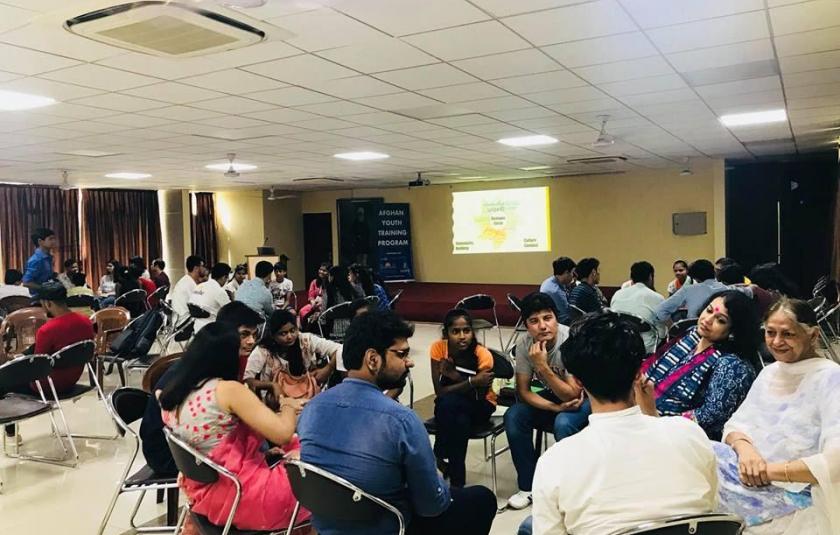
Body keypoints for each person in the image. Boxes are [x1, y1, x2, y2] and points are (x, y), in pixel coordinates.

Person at [298, 310, 497, 535]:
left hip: (328, 527)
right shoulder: (401, 420)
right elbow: (432, 505)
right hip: (389, 526)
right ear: (373, 359)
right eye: (401, 355)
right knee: (481, 499)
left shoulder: (312, 409)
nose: (409, 362)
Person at [523, 312, 718, 535]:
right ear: (638, 373)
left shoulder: (555, 462)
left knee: (529, 526)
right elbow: (709, 511)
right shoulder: (690, 434)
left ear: (577, 380)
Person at [159, 322, 308, 532]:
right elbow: (283, 433)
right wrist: (289, 406)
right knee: (316, 464)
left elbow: (217, 440)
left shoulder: (174, 393)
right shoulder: (226, 390)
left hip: (208, 493)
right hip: (243, 496)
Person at [714, 298, 840, 534]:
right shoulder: (770, 373)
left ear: (813, 336)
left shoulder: (831, 378)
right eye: (770, 333)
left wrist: (768, 471)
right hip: (751, 473)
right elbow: (735, 425)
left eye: (788, 334)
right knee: (698, 452)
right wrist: (746, 450)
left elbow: (835, 461)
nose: (776, 342)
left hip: (797, 490)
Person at [140, 301, 262, 477]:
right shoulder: (207, 370)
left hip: (175, 445)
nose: (251, 341)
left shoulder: (208, 359)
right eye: (244, 334)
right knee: (261, 449)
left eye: (254, 335)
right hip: (170, 454)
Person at [504, 292, 591, 510]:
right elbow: (524, 392)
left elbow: (573, 395)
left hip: (589, 396)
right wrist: (554, 406)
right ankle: (528, 485)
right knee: (514, 415)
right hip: (557, 396)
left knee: (564, 422)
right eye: (534, 321)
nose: (543, 326)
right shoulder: (525, 345)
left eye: (548, 318)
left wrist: (542, 367)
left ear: (556, 318)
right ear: (526, 325)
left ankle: (572, 488)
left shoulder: (570, 339)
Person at [638, 290, 761, 440]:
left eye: (720, 320)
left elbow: (710, 418)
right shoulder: (691, 336)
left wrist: (654, 417)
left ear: (734, 331)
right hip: (648, 418)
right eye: (708, 310)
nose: (707, 320)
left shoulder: (732, 365)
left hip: (686, 439)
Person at [429, 309, 496, 488]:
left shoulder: (482, 354)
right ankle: (458, 478)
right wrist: (472, 380)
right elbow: (439, 391)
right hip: (454, 408)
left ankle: (440, 454)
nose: (462, 336)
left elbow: (479, 395)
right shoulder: (438, 348)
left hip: (482, 406)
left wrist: (456, 377)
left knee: (448, 405)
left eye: (466, 330)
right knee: (457, 416)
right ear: (446, 333)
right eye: (455, 331)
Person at [244, 309, 340, 395]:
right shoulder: (263, 350)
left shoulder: (306, 340)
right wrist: (271, 385)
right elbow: (248, 380)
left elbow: (340, 349)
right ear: (273, 335)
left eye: (292, 330)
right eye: (283, 333)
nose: (290, 336)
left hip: (307, 396)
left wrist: (328, 368)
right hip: (276, 403)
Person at [31, 281, 95, 394]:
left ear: (48, 304)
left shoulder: (46, 330)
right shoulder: (86, 322)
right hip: (72, 380)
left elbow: (37, 365)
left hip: (46, 385)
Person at [609, 261, 666, 353]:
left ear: (631, 278)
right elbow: (662, 333)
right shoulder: (657, 298)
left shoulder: (617, 294)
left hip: (619, 345)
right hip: (645, 348)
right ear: (650, 277)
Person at [655, 259, 727, 323]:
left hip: (696, 331)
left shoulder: (688, 290)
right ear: (714, 272)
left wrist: (674, 328)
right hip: (722, 330)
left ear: (695, 278)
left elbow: (661, 310)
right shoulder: (726, 288)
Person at [188, 262, 232, 332]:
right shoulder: (219, 291)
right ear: (224, 277)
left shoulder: (199, 286)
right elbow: (231, 310)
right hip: (212, 328)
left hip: (196, 328)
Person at [538, 257, 576, 325]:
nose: (573, 276)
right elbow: (566, 316)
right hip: (559, 324)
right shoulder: (556, 291)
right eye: (572, 273)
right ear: (566, 272)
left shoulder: (550, 281)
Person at [22, 227, 57, 298]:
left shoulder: (48, 257)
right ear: (40, 241)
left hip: (47, 296)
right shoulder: (36, 260)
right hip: (38, 298)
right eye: (50, 239)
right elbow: (26, 283)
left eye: (54, 238)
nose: (54, 241)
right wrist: (44, 288)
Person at [323, 265, 356, 339]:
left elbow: (324, 312)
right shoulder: (351, 289)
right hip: (351, 327)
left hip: (333, 329)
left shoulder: (329, 290)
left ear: (332, 277)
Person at [169, 255, 205, 321]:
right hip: (184, 322)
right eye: (202, 266)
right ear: (196, 268)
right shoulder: (190, 284)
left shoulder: (186, 281)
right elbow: (202, 305)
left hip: (180, 319)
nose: (204, 269)